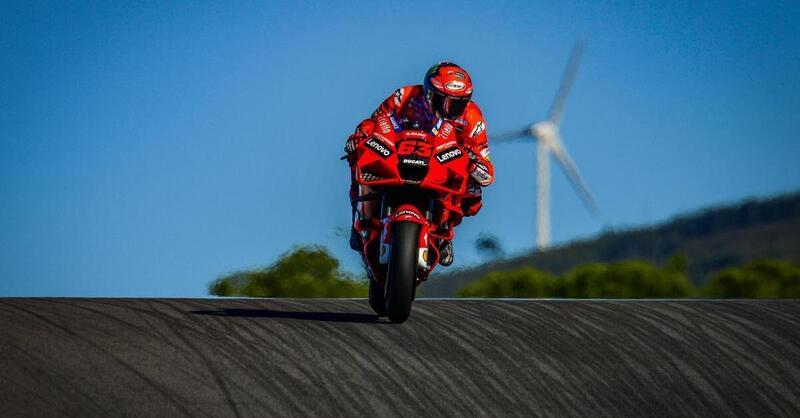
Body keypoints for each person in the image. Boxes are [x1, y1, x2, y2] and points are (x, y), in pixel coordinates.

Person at [344, 62, 493, 266]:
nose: (449, 109)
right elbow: (374, 122)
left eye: (457, 103)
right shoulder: (404, 96)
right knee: (358, 154)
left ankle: (444, 230)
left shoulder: (473, 118)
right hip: (398, 154)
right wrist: (359, 136)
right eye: (443, 100)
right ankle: (359, 214)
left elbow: (486, 170)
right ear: (429, 92)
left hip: (441, 164)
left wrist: (474, 164)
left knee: (474, 194)